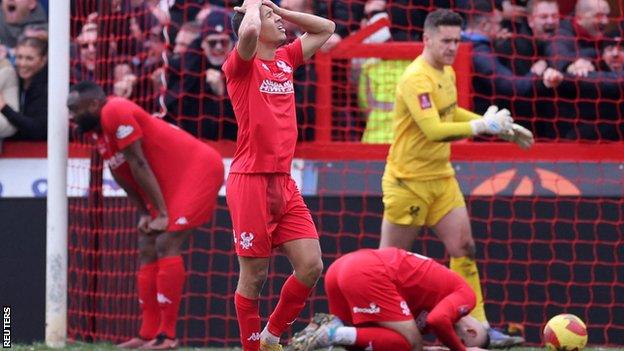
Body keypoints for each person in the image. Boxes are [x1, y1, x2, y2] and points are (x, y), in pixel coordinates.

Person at [379, 9, 532, 348]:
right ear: (427, 39)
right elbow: (433, 129)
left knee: (464, 249)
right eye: (445, 41)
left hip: (441, 178)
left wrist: (494, 125)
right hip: (408, 182)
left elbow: (448, 111)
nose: (452, 47)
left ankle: (481, 328)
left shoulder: (444, 71)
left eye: (456, 41)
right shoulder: (415, 78)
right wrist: (480, 127)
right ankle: (360, 329)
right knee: (388, 265)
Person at [66, 81, 224, 350]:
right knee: (147, 244)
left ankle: (167, 336)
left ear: (93, 104)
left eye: (74, 109)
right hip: (168, 183)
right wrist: (144, 212)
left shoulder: (115, 110)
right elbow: (120, 173)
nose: (71, 116)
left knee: (165, 241)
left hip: (197, 169)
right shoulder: (97, 130)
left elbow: (138, 162)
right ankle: (148, 332)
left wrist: (161, 212)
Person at [222, 1, 334, 350]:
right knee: (254, 276)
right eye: (272, 18)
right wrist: (256, 7)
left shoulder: (285, 59)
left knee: (311, 266)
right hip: (250, 180)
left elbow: (326, 28)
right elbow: (251, 31)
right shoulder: (240, 65)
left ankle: (271, 336)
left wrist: (278, 11)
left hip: (283, 182)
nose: (279, 23)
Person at [288, 248, 490, 351]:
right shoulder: (466, 296)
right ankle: (333, 332)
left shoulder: (430, 311)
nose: (450, 342)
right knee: (411, 344)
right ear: (470, 331)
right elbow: (438, 320)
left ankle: (331, 330)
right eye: (461, 341)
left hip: (343, 268)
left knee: (366, 343)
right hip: (366, 272)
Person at [0, 35, 47, 140]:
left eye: (29, 59)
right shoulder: (13, 78)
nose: (22, 63)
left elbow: (38, 130)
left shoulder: (49, 88)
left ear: (43, 60)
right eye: (19, 57)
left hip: (39, 152)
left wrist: (4, 107)